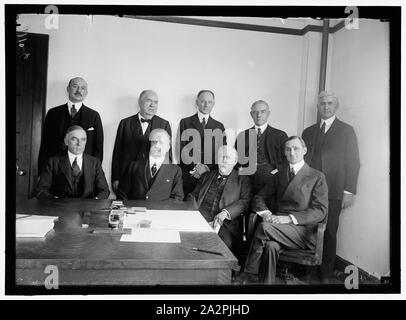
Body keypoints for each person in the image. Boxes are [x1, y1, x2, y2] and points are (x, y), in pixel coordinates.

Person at [236, 136, 328, 284]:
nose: (292, 152)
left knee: (263, 227)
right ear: (284, 153)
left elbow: (320, 211)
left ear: (304, 150)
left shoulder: (317, 176)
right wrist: (266, 214)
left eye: (296, 148)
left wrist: (289, 218)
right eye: (288, 149)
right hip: (277, 227)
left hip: (302, 231)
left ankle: (248, 272)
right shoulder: (280, 175)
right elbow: (259, 197)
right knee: (271, 246)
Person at [302, 91, 360, 282]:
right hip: (309, 191)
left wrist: (349, 191)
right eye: (322, 104)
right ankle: (308, 270)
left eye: (330, 104)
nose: (326, 107)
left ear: (336, 106)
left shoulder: (346, 130)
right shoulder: (308, 132)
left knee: (329, 232)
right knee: (308, 229)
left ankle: (325, 274)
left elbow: (353, 162)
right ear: (318, 107)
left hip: (334, 191)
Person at [186, 145, 252, 255]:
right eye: (221, 157)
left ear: (235, 161)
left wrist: (225, 213)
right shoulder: (206, 176)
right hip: (199, 220)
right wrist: (192, 214)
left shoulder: (243, 180)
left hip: (225, 225)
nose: (224, 161)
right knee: (185, 242)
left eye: (228, 157)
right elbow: (193, 196)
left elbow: (245, 202)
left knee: (220, 247)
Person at [38, 77, 104, 175]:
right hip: (55, 170)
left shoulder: (94, 116)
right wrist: (42, 172)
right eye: (75, 86)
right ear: (68, 89)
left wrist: (94, 173)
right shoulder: (53, 113)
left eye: (83, 88)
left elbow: (98, 148)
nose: (79, 91)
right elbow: (45, 145)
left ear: (86, 92)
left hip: (84, 171)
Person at [111, 90, 171, 193]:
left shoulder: (164, 124)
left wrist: (166, 180)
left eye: (155, 102)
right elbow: (117, 152)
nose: (152, 105)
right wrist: (115, 178)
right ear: (140, 102)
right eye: (148, 101)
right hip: (126, 178)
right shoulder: (125, 123)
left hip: (151, 179)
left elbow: (167, 154)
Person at [36, 125, 109, 199]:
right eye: (74, 139)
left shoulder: (95, 162)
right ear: (66, 141)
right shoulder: (53, 161)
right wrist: (55, 201)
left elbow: (104, 191)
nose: (79, 144)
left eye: (83, 140)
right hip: (60, 208)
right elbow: (41, 190)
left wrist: (94, 202)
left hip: (87, 208)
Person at [179, 90, 226, 197]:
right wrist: (197, 166)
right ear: (197, 102)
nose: (206, 105)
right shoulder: (185, 122)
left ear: (213, 104)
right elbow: (182, 149)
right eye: (203, 101)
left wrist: (206, 169)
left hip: (210, 176)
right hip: (190, 174)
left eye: (209, 102)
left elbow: (222, 151)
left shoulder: (219, 126)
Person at [235, 100, 288, 193]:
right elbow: (236, 161)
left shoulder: (280, 135)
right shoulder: (242, 136)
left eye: (263, 112)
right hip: (246, 181)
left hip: (271, 181)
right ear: (251, 114)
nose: (258, 115)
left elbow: (286, 161)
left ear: (268, 113)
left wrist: (274, 172)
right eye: (255, 112)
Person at [116, 129, 183, 201]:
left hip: (161, 211)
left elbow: (177, 197)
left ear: (168, 147)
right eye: (154, 142)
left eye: (161, 142)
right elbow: (122, 194)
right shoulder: (134, 166)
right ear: (150, 144)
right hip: (137, 211)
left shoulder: (175, 170)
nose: (157, 145)